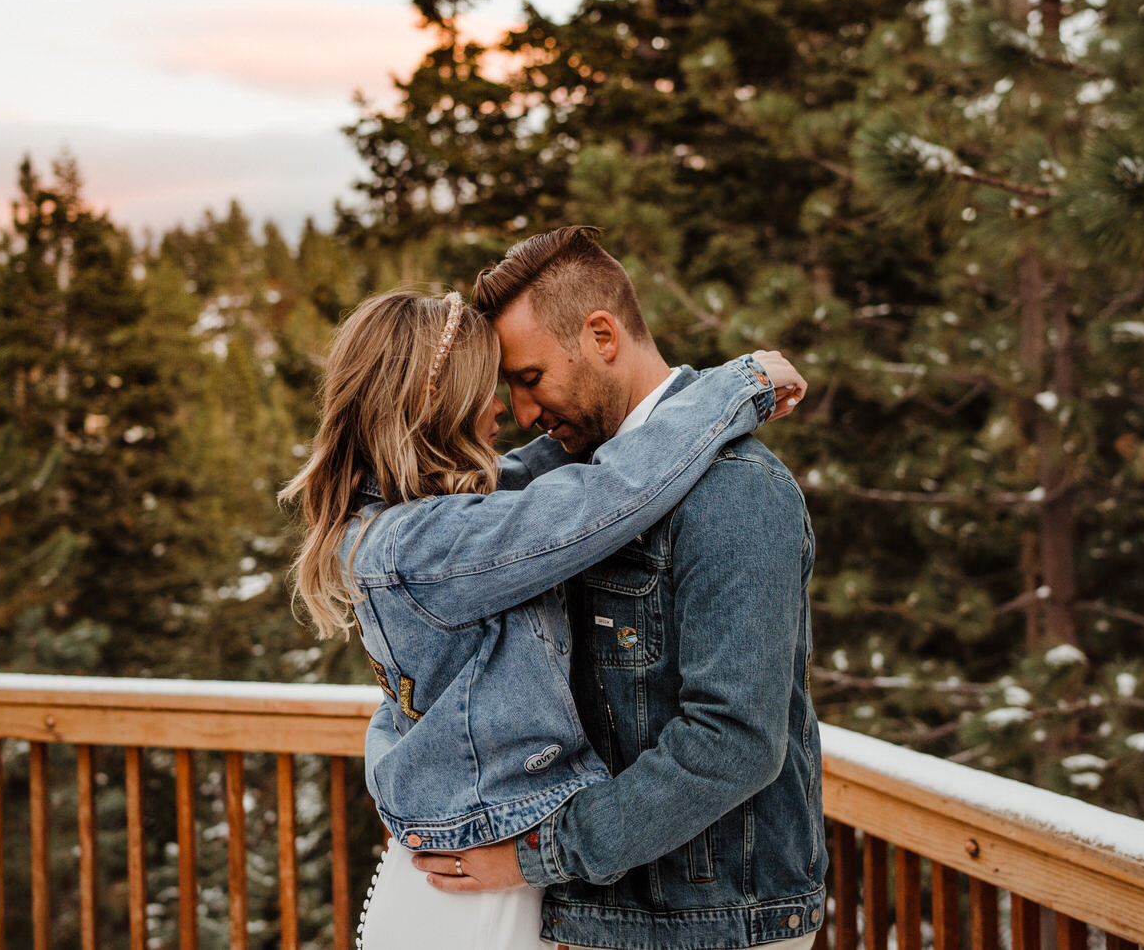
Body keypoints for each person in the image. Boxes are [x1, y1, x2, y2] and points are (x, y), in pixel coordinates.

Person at [280, 287, 806, 950]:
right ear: (436, 406)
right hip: (471, 885)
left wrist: (656, 399)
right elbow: (602, 495)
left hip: (476, 865)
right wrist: (741, 384)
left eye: (524, 379)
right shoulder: (426, 543)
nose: (506, 408)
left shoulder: (412, 519)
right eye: (493, 386)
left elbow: (547, 466)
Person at [411, 226, 827, 950]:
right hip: (602, 913)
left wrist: (533, 855)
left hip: (715, 925)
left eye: (530, 377)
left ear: (602, 335)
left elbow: (733, 739)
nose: (521, 410)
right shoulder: (574, 483)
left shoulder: (736, 491)